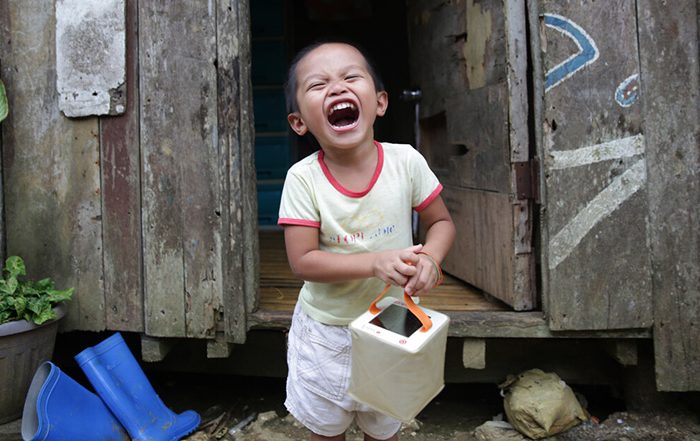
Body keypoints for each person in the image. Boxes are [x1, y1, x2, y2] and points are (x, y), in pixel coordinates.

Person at [278, 40, 456, 441]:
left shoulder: (406, 162)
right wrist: (375, 262)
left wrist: (430, 258)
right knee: (327, 431)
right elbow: (303, 261)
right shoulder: (303, 179)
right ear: (299, 122)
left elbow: (441, 222)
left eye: (350, 76)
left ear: (379, 102)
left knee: (384, 424)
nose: (337, 88)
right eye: (318, 84)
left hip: (393, 320)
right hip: (326, 332)